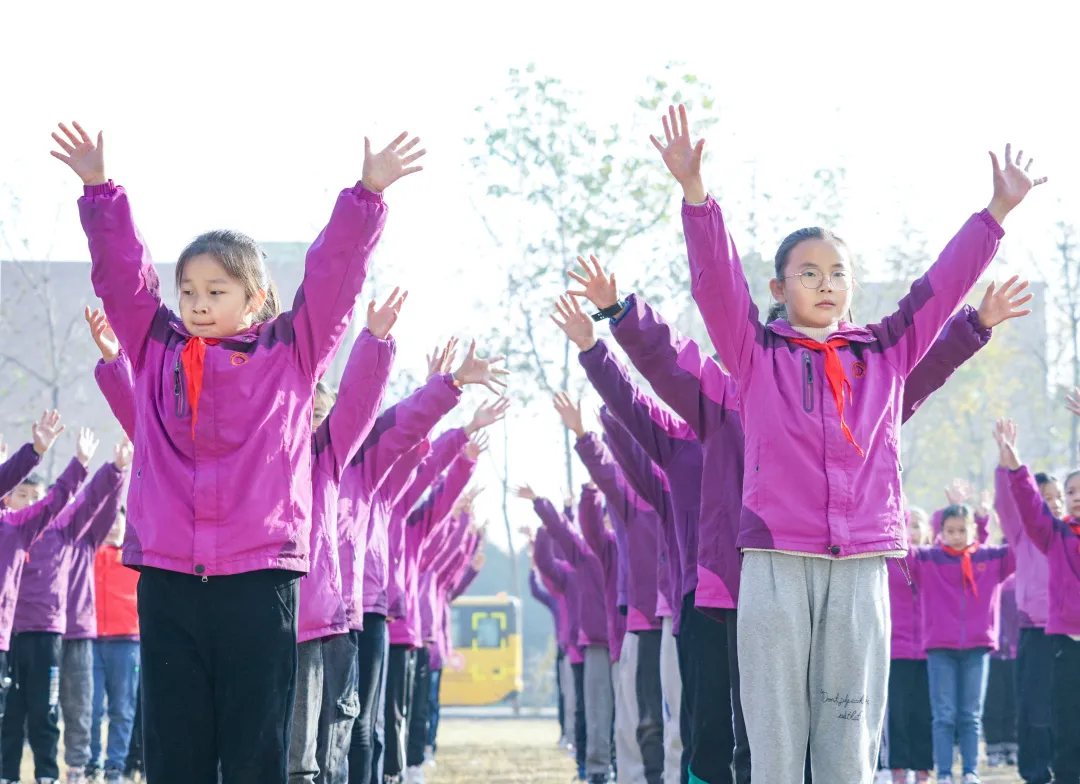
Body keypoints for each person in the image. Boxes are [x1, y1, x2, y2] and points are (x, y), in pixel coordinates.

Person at [652, 99, 1044, 781]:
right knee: (775, 738)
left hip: (862, 565)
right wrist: (695, 196)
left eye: (838, 273)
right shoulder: (755, 355)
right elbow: (715, 281)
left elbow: (940, 287)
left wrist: (995, 216)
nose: (826, 284)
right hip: (775, 561)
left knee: (851, 735)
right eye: (809, 273)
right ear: (780, 286)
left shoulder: (885, 353)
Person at [565, 247, 1030, 784]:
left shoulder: (847, 409)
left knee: (822, 725)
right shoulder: (702, 427)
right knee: (724, 733)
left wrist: (975, 326)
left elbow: (918, 376)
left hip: (818, 576)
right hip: (721, 591)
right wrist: (597, 346)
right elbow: (638, 395)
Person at [52, 117, 425, 783]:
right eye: (189, 291)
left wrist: (366, 197)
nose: (197, 304)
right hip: (170, 579)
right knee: (176, 749)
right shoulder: (157, 348)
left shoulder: (290, 352)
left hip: (260, 582)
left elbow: (333, 278)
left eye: (216, 292)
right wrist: (99, 191)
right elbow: (124, 281)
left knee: (256, 749)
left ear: (255, 300)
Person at [1, 431, 121, 784]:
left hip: (49, 633)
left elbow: (85, 502)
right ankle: (7, 774)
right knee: (10, 713)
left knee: (47, 712)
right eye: (21, 494)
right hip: (12, 634)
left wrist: (104, 468)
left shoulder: (58, 529)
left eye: (34, 496)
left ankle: (50, 774)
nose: (29, 502)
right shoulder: (10, 528)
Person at [999, 415, 1080, 784]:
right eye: (1072, 491)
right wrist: (1014, 467)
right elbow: (1028, 507)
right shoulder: (1054, 534)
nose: (1076, 498)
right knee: (1064, 722)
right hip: (1061, 641)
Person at [911, 503, 1015, 783]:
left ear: (974, 530)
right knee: (944, 715)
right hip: (940, 649)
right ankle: (944, 773)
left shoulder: (991, 558)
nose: (956, 536)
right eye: (949, 531)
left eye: (962, 530)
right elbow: (904, 552)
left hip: (977, 649)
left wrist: (992, 519)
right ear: (940, 532)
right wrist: (933, 516)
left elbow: (1020, 546)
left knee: (971, 716)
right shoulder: (928, 559)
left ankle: (970, 771)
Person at [995, 451, 1057, 784]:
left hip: (1068, 632)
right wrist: (1006, 465)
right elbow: (1006, 503)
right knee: (1033, 707)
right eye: (1044, 497)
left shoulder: (1067, 534)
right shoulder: (1022, 535)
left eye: (1056, 498)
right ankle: (1035, 771)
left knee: (1063, 705)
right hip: (1033, 631)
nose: (1053, 504)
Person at [89, 505, 141, 784]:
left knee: (122, 708)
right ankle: (91, 762)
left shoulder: (134, 557)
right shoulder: (90, 554)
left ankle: (115, 766)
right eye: (105, 521)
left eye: (116, 522)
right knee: (92, 707)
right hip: (93, 641)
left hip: (128, 642)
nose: (111, 527)